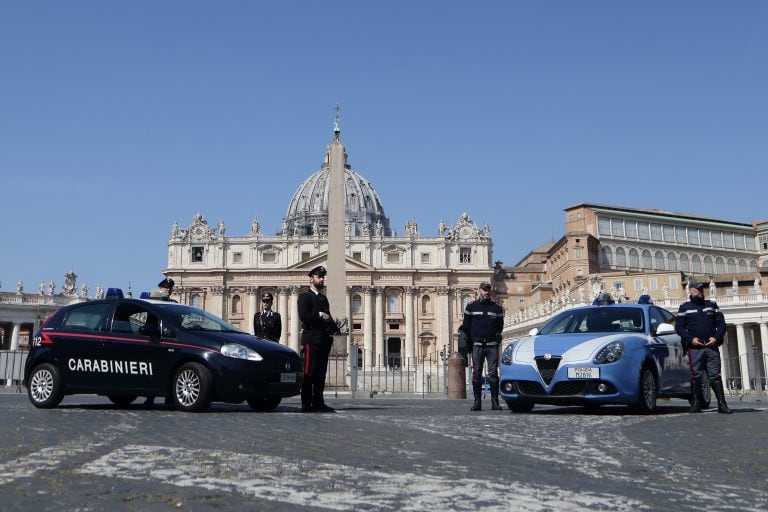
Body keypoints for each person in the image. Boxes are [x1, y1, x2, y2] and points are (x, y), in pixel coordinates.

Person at [676, 280, 732, 414]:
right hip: (695, 347)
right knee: (696, 375)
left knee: (715, 375)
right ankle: (696, 403)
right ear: (690, 290)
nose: (700, 291)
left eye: (701, 289)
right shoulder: (684, 308)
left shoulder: (711, 305)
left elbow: (722, 325)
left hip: (711, 346)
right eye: (697, 289)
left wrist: (716, 338)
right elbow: (679, 328)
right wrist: (691, 339)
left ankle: (722, 404)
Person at [297, 265, 339, 413]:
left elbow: (328, 315)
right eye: (319, 277)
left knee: (321, 372)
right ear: (311, 278)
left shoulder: (323, 298)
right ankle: (306, 402)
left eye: (322, 277)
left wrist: (336, 329)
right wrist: (320, 315)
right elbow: (303, 316)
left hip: (323, 340)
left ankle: (318, 401)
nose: (321, 279)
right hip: (311, 340)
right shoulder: (304, 297)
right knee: (309, 371)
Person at [459, 282, 505, 411]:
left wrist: (496, 338)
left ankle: (495, 402)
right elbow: (466, 326)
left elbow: (500, 326)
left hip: (491, 345)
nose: (486, 292)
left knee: (493, 373)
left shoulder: (497, 308)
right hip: (477, 345)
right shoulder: (471, 307)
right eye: (484, 290)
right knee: (476, 373)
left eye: (488, 290)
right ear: (479, 290)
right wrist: (468, 343)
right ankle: (477, 402)